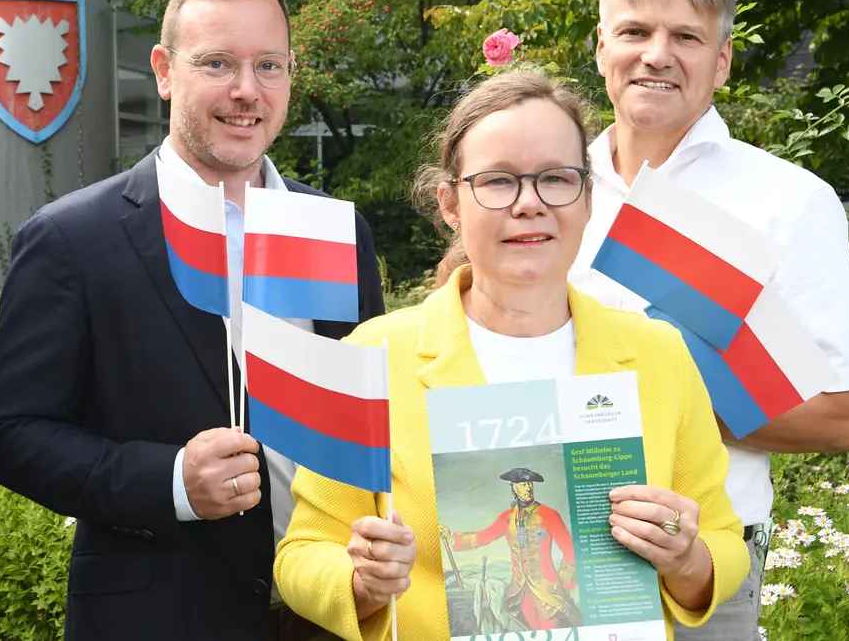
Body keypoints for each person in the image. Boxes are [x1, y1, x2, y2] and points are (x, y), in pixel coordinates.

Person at [0, 0, 386, 641]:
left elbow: (374, 416)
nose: (246, 91)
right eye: (218, 63)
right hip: (160, 615)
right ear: (166, 71)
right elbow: (14, 436)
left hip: (331, 613)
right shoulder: (73, 238)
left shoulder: (337, 229)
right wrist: (168, 479)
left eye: (270, 66)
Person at [275, 69, 746, 640]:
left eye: (556, 178)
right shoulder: (373, 356)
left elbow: (720, 538)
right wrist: (362, 580)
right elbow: (303, 554)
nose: (530, 204)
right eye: (498, 182)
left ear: (588, 198)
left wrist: (687, 560)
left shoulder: (657, 354)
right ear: (451, 203)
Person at [569, 0, 849, 639]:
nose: (656, 54)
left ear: (723, 60)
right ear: (600, 48)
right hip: (555, 544)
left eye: (685, 36)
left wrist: (672, 410)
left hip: (705, 555)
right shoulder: (551, 187)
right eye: (634, 31)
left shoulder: (787, 200)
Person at [442, 468, 580, 632]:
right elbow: (483, 536)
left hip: (548, 592)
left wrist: (564, 583)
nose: (528, 488)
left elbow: (571, 550)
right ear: (514, 487)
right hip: (519, 593)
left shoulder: (549, 514)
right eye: (523, 484)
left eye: (530, 483)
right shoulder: (507, 518)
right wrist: (452, 537)